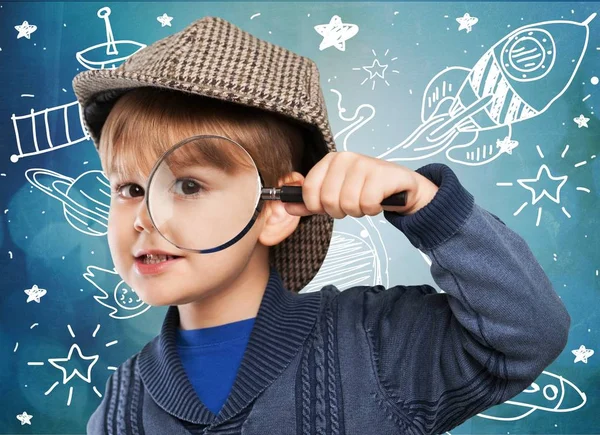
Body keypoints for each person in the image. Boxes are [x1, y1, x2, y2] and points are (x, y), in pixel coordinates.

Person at [72, 16, 571, 435]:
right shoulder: (119, 409)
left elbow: (529, 333)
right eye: (129, 190)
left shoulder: (379, 343)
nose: (142, 218)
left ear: (273, 209)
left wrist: (425, 203)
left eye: (187, 186)